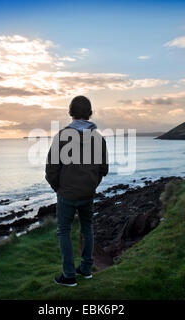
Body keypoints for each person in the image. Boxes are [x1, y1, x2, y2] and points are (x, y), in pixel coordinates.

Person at [45, 96, 109, 287]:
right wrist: (91, 184)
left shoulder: (62, 136)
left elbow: (51, 170)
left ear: (70, 112)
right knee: (87, 228)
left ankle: (69, 275)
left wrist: (59, 188)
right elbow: (103, 169)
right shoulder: (98, 138)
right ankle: (86, 269)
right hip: (87, 193)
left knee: (64, 231)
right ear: (90, 113)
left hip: (67, 194)